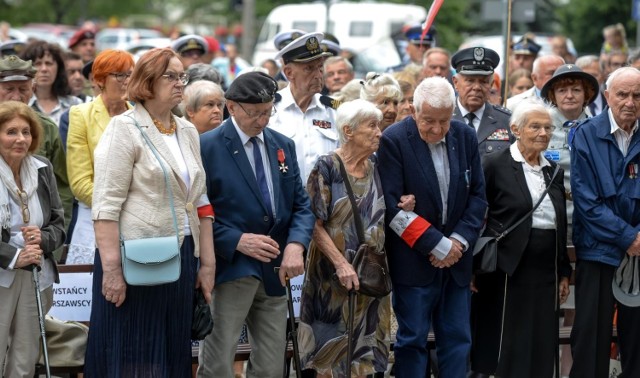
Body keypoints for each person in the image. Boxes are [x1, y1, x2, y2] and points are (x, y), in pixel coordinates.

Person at [84, 47, 215, 376]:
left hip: (182, 255)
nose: (180, 83)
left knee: (172, 351)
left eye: (182, 76)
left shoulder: (186, 130)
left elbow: (200, 200)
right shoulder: (124, 129)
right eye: (171, 76)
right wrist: (112, 271)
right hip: (134, 260)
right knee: (134, 353)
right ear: (147, 82)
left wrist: (207, 263)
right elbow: (105, 206)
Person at [197, 71, 315, 378]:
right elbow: (196, 211)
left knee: (272, 365)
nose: (262, 121)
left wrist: (295, 245)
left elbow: (301, 205)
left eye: (267, 112)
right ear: (232, 107)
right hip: (231, 267)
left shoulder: (282, 145)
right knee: (219, 361)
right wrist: (236, 240)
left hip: (275, 270)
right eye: (254, 113)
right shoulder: (207, 146)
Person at [377, 76, 487, 377]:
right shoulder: (394, 140)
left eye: (444, 121)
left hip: (457, 262)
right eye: (428, 121)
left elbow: (478, 196)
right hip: (414, 262)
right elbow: (391, 207)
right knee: (411, 341)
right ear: (413, 110)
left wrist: (458, 243)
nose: (437, 129)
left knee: (457, 340)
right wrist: (438, 245)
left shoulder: (464, 136)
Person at [297, 99, 413, 377]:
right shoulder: (327, 167)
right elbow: (313, 223)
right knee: (330, 359)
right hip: (333, 281)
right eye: (371, 126)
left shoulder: (376, 166)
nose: (379, 133)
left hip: (370, 280)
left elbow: (383, 210)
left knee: (368, 359)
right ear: (348, 131)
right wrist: (340, 263)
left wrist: (404, 203)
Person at [471, 99, 571, 378]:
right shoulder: (495, 164)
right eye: (535, 127)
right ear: (515, 129)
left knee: (541, 337)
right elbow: (477, 213)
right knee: (508, 339)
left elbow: (558, 223)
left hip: (546, 267)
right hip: (507, 267)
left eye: (548, 128)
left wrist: (564, 270)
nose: (543, 133)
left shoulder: (553, 171)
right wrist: (471, 267)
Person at [569, 67, 640, 378]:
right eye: (622, 94)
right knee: (590, 338)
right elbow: (586, 202)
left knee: (637, 340)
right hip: (598, 252)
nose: (630, 101)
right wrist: (628, 238)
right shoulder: (585, 134)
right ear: (607, 96)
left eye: (637, 95)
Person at [540, 61, 599, 378]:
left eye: (577, 89)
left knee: (578, 309)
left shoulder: (599, 126)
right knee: (549, 303)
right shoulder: (541, 125)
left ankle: (568, 370)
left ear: (587, 94)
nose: (570, 95)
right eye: (563, 89)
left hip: (587, 232)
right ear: (552, 93)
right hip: (551, 230)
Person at [0, 100, 65, 377]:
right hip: (3, 272)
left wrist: (43, 237)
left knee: (26, 353)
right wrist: (14, 256)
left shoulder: (42, 166)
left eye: (26, 132)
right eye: (11, 132)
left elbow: (59, 223)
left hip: (36, 271)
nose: (20, 139)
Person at [65, 49, 135, 264]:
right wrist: (118, 206)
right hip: (94, 217)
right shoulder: (81, 114)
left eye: (130, 74)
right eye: (119, 75)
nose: (126, 81)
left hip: (136, 221)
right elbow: (79, 182)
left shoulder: (140, 115)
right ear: (100, 80)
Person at [0, 55, 73, 244]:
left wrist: (52, 244)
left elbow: (62, 190)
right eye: (8, 89)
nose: (16, 96)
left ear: (32, 90)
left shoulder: (46, 127)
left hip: (38, 244)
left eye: (23, 89)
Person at [269, 32, 338, 182]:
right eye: (309, 69)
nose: (318, 75)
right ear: (289, 73)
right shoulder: (270, 110)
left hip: (327, 200)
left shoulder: (334, 110)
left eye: (320, 67)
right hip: (285, 199)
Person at [450, 47, 512, 160]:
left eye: (483, 82)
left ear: (491, 84)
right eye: (470, 81)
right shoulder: (443, 117)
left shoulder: (507, 121)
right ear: (455, 83)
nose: (477, 87)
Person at [20, 41, 82, 126]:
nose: (44, 69)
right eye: (38, 64)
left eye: (49, 63)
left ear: (59, 68)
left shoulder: (75, 104)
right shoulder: (21, 103)